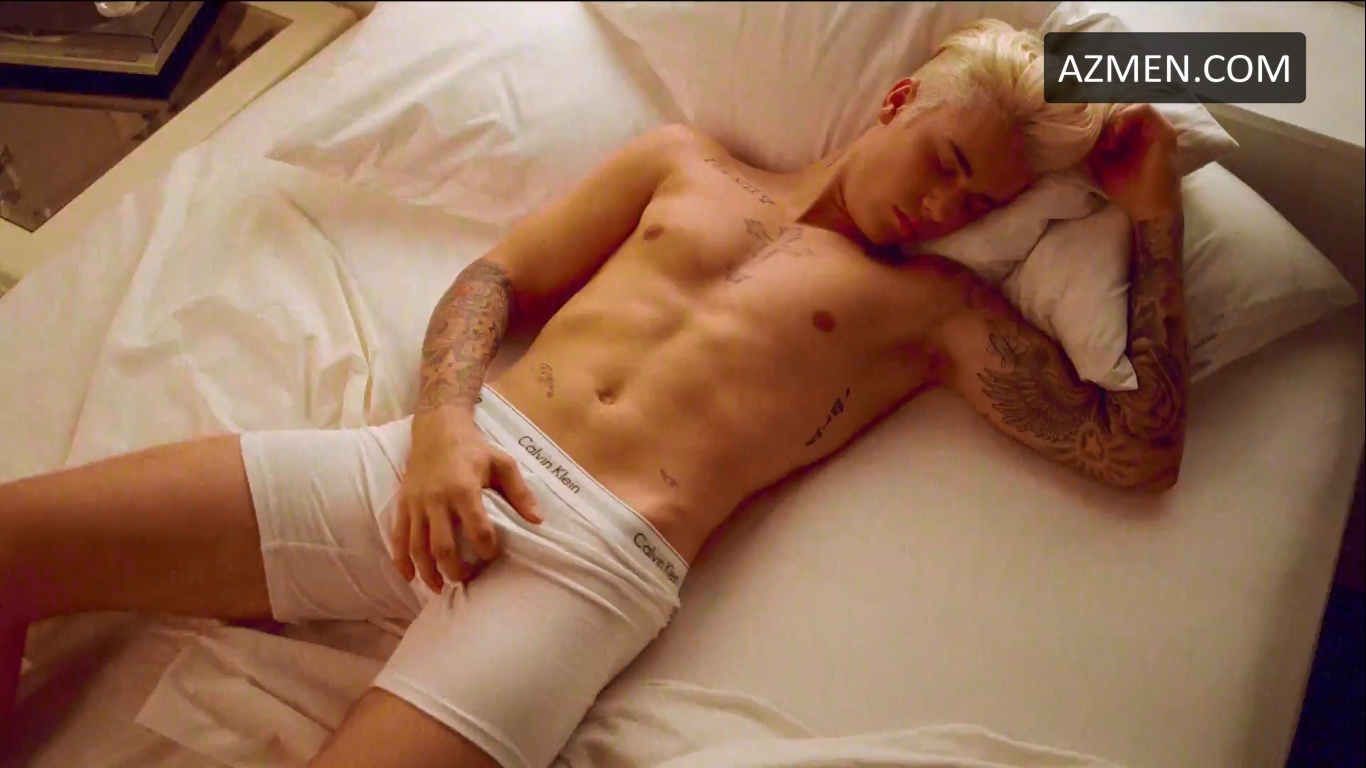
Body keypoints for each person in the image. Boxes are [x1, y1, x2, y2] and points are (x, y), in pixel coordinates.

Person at [0, 18, 1188, 768]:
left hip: (585, 569)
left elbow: (1134, 451)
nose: (942, 209)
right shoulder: (684, 164)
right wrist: (440, 427)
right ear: (897, 105)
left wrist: (1154, 217)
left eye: (977, 204)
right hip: (439, 459)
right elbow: (496, 277)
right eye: (945, 165)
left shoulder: (932, 310)